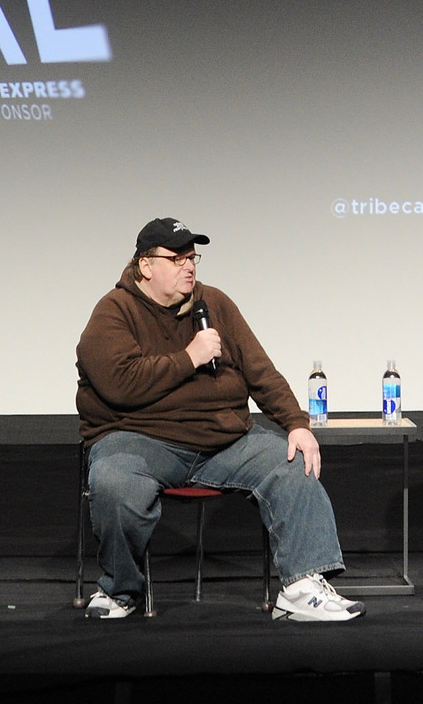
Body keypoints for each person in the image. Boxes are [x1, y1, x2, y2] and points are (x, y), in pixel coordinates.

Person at [76, 217, 362, 622]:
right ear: (145, 266)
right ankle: (121, 589)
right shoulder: (114, 313)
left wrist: (296, 423)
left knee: (293, 462)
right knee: (114, 483)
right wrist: (189, 357)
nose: (189, 267)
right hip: (140, 439)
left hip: (225, 441)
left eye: (192, 258)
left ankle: (301, 588)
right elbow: (120, 385)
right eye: (176, 259)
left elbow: (260, 371)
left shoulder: (215, 304)